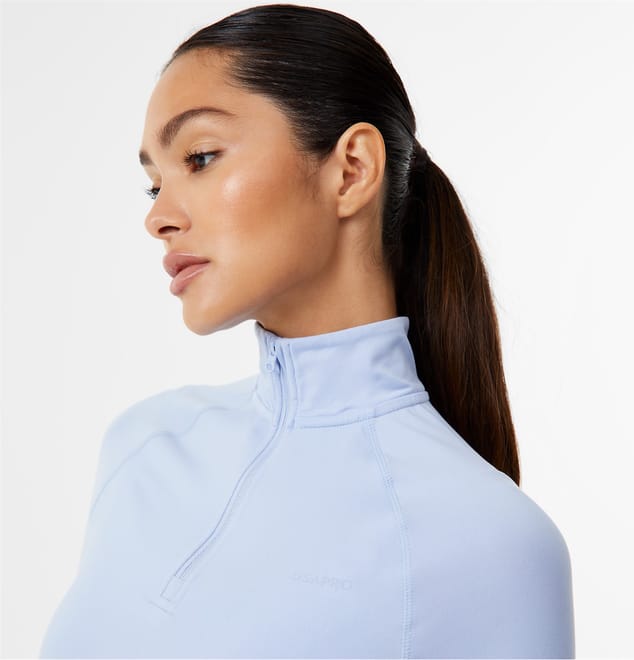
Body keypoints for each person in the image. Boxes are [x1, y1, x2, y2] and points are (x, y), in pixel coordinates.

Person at [39, 4, 575, 658]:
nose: (160, 218)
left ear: (352, 169)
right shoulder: (145, 447)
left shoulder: (492, 541)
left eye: (200, 157)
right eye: (153, 186)